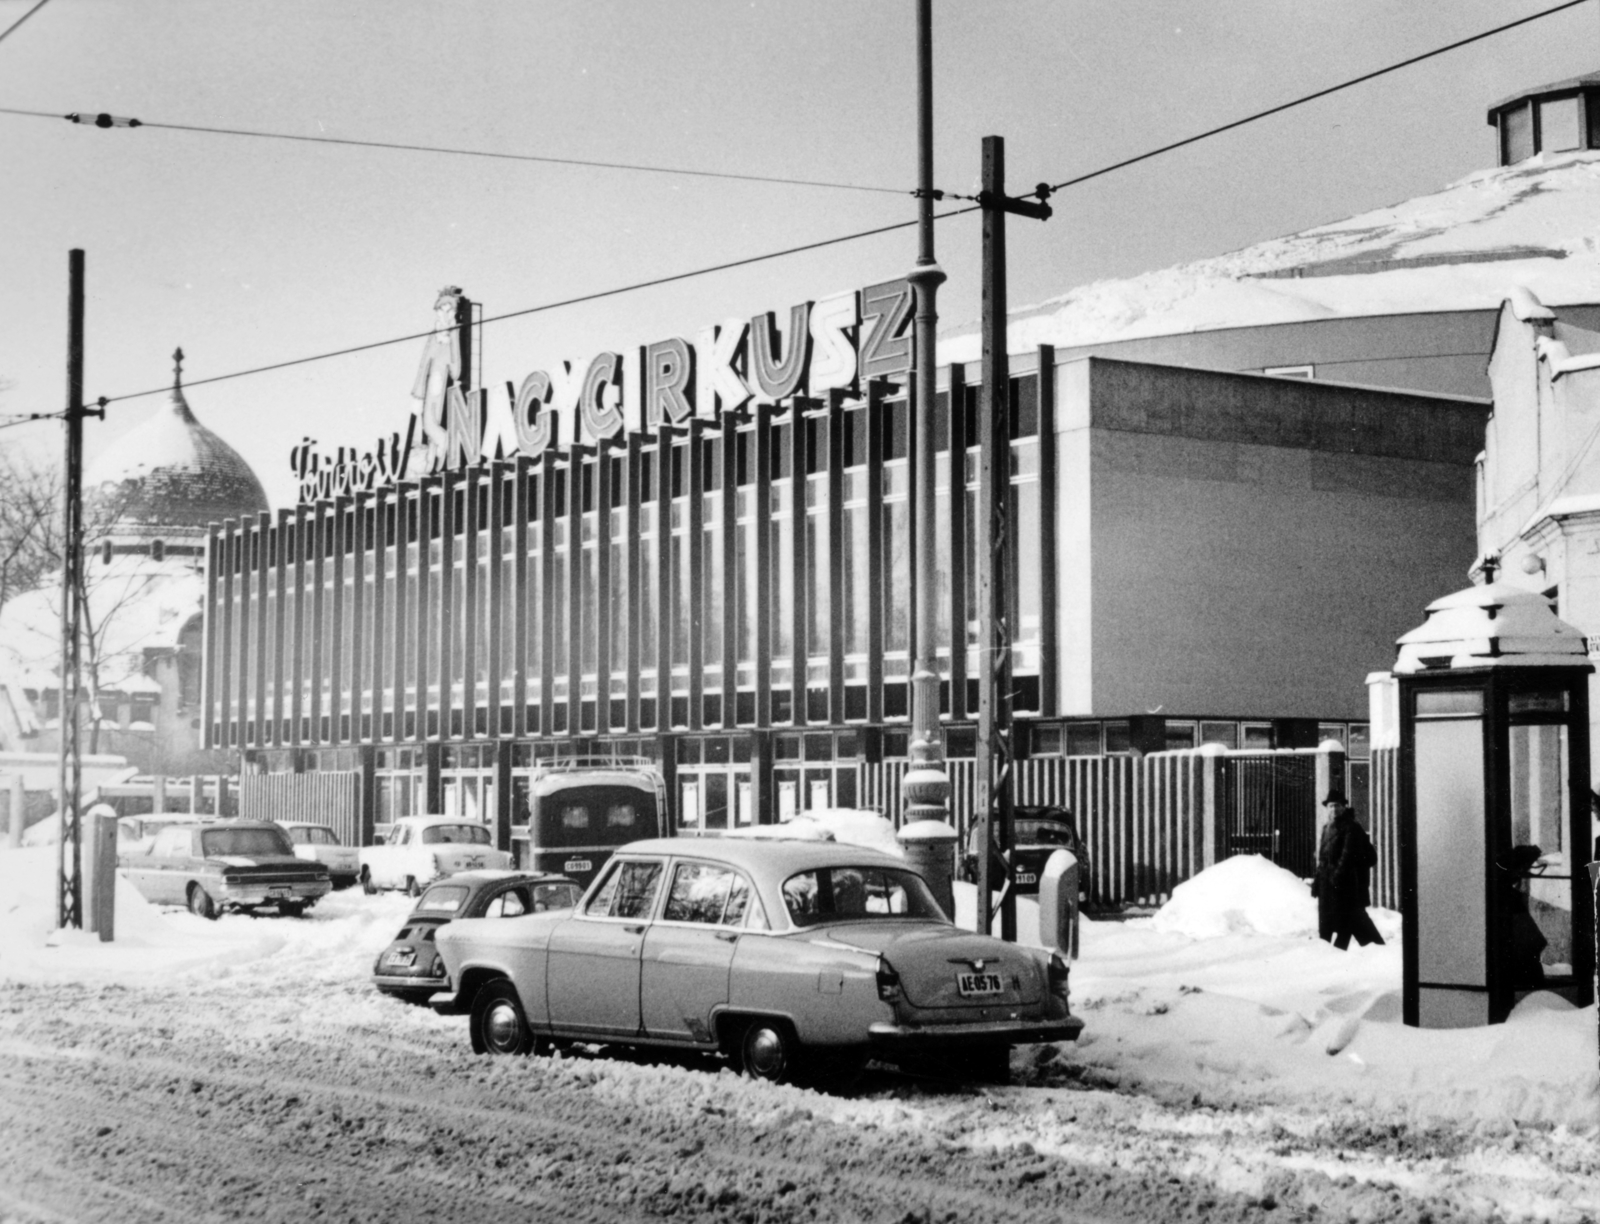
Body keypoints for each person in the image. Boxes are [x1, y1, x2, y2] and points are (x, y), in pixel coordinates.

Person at [1311, 791, 1384, 949]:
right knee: (1330, 924)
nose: (1334, 809)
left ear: (1344, 807)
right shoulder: (1326, 828)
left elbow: (1347, 856)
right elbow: (1323, 858)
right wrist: (1317, 881)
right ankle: (1330, 954)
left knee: (1347, 921)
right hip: (1326, 884)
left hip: (1342, 885)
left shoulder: (1351, 827)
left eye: (1337, 805)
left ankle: (1374, 950)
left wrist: (1336, 878)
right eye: (1331, 806)